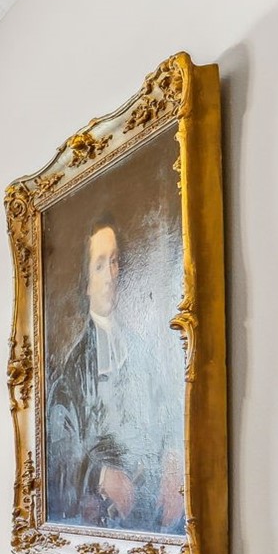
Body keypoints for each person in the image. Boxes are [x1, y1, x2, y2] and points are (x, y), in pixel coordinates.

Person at [44, 215, 184, 533]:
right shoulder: (71, 373)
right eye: (99, 265)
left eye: (115, 262)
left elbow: (169, 412)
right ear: (86, 283)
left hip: (158, 514)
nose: (110, 275)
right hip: (108, 521)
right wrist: (101, 476)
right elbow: (58, 451)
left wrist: (175, 460)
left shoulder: (143, 351)